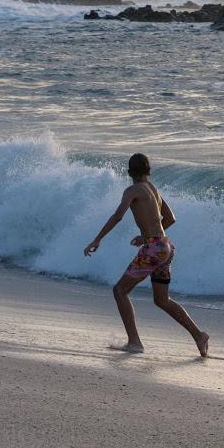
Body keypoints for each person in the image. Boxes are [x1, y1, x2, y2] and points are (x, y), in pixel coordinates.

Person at [83, 152, 210, 357]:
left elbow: (117, 216)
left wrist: (97, 239)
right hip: (166, 247)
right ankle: (199, 335)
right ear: (149, 171)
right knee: (162, 300)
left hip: (154, 249)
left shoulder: (132, 190)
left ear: (129, 172)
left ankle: (134, 342)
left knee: (119, 291)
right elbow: (170, 218)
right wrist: (147, 236)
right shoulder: (154, 190)